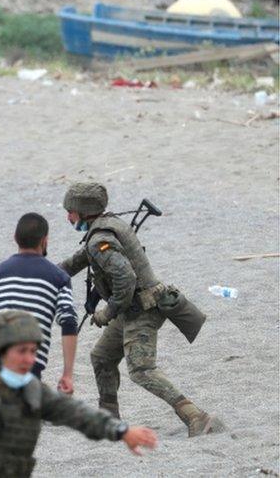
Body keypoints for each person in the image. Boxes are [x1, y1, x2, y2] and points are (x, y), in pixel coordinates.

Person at [59, 182, 223, 437]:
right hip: (132, 308)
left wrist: (108, 312)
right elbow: (76, 262)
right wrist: (38, 272)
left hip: (141, 309)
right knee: (102, 357)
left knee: (142, 370)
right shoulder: (106, 226)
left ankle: (197, 417)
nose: (68, 216)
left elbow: (126, 279)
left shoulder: (100, 239)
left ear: (83, 211)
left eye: (71, 211)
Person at [0, 310, 158, 477]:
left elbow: (75, 413)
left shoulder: (30, 390)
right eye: (22, 351)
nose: (30, 359)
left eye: (33, 351)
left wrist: (121, 431)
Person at [0, 213, 78, 394]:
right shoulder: (59, 277)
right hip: (27, 363)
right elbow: (69, 321)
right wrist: (67, 374)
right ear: (45, 240)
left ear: (15, 238)